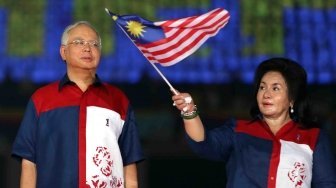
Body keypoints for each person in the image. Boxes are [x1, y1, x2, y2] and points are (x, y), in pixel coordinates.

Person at [12, 21, 144, 188]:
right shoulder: (41, 100)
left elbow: (129, 163)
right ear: (63, 52)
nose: (87, 48)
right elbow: (29, 162)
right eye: (79, 42)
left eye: (94, 44)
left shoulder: (118, 100)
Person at [172, 57, 336, 187]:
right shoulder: (239, 131)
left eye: (275, 88)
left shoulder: (314, 138)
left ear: (292, 99)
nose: (266, 94)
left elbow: (326, 184)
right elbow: (203, 143)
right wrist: (189, 111)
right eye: (262, 87)